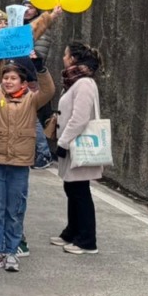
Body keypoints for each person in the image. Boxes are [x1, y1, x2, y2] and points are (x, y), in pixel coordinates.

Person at [0, 58, 55, 272]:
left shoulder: (32, 100)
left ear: (23, 83)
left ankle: (12, 251)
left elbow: (48, 90)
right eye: (5, 78)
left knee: (15, 209)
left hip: (20, 163)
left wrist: (40, 67)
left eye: (13, 78)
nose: (8, 81)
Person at [51, 43, 105, 255]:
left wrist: (63, 143)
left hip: (79, 144)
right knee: (72, 189)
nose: (63, 58)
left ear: (73, 59)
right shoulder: (76, 81)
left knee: (79, 191)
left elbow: (80, 118)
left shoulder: (84, 83)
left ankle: (86, 240)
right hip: (73, 143)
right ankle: (72, 231)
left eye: (65, 54)